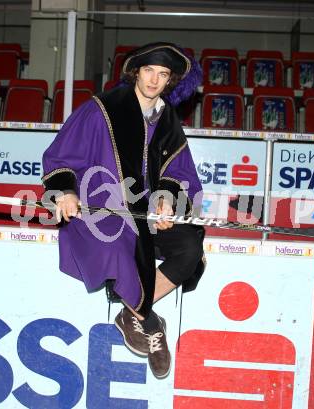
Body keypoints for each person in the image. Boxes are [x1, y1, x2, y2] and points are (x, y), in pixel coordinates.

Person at [42, 42, 206, 379]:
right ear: (136, 72)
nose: (154, 80)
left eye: (162, 74)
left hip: (146, 215)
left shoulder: (168, 119)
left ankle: (131, 313)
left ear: (169, 80)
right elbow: (61, 155)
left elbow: (180, 172)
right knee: (117, 250)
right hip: (102, 209)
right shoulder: (101, 109)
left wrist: (166, 200)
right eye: (149, 71)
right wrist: (66, 193)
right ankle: (149, 320)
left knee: (190, 247)